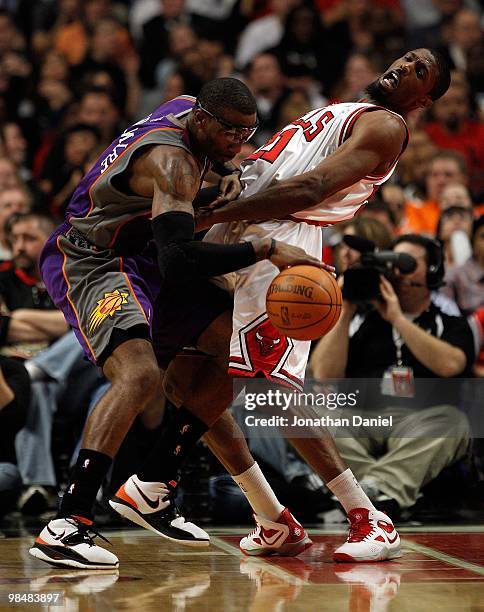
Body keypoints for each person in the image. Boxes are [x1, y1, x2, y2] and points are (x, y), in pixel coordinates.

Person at [118, 48, 451, 562]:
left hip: (280, 240)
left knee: (275, 390)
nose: (406, 67)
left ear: (423, 98)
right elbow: (278, 167)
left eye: (419, 71)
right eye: (408, 59)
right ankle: (272, 519)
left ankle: (368, 517)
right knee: (185, 376)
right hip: (246, 224)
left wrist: (221, 211)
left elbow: (310, 187)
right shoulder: (344, 109)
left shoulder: (387, 126)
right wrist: (233, 174)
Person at [29, 77, 321, 570]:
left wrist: (219, 178)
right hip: (93, 259)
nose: (240, 145)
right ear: (204, 121)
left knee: (243, 345)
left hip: (140, 254)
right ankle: (68, 521)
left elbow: (176, 220)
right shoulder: (172, 164)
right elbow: (179, 261)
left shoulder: (188, 108)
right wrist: (265, 247)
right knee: (139, 374)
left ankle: (153, 484)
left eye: (248, 133)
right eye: (232, 134)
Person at [310, 236, 473, 518]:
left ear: (432, 270)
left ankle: (363, 491)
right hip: (363, 419)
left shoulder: (447, 322)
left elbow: (451, 364)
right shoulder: (363, 321)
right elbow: (324, 373)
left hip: (420, 422)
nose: (396, 272)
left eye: (407, 264)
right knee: (310, 416)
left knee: (454, 422)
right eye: (392, 263)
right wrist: (346, 309)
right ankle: (382, 490)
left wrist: (398, 319)